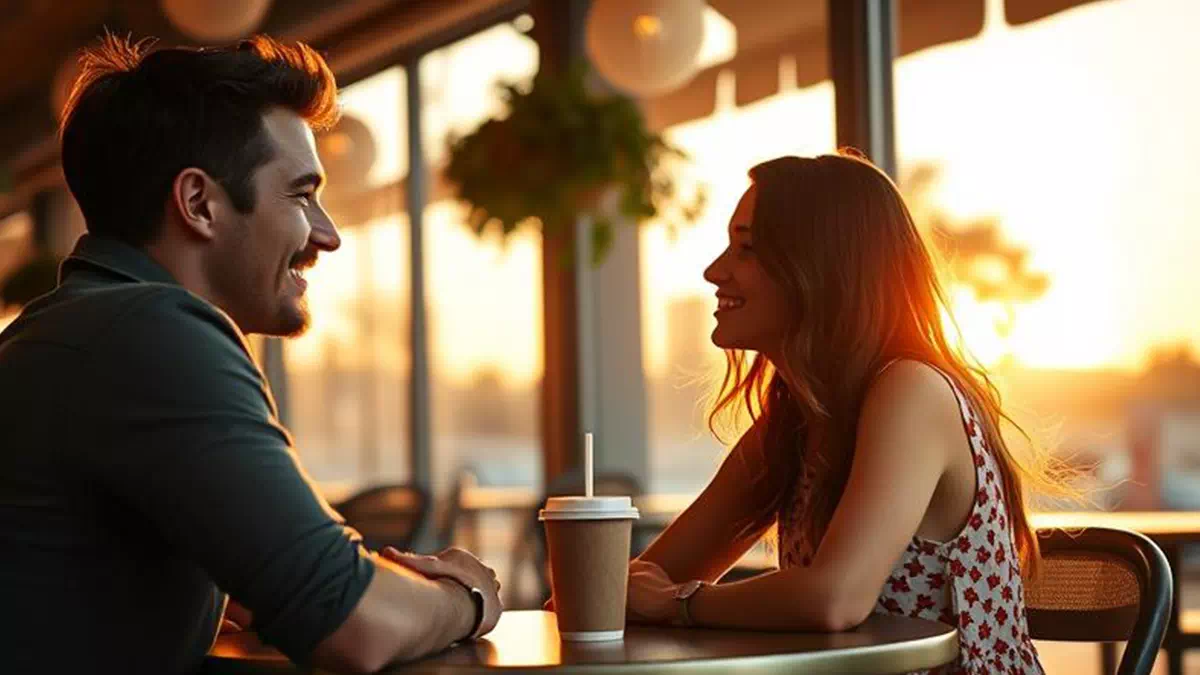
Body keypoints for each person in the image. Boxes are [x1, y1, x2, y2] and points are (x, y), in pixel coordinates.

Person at [0, 35, 500, 674]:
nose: (329, 233)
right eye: (300, 195)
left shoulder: (73, 332)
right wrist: (468, 595)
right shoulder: (152, 331)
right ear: (199, 204)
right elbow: (353, 623)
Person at [619, 153, 1061, 674]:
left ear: (821, 269)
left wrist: (676, 603)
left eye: (748, 249)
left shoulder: (911, 392)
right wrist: (615, 592)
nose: (715, 271)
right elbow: (639, 584)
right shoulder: (793, 424)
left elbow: (835, 600)